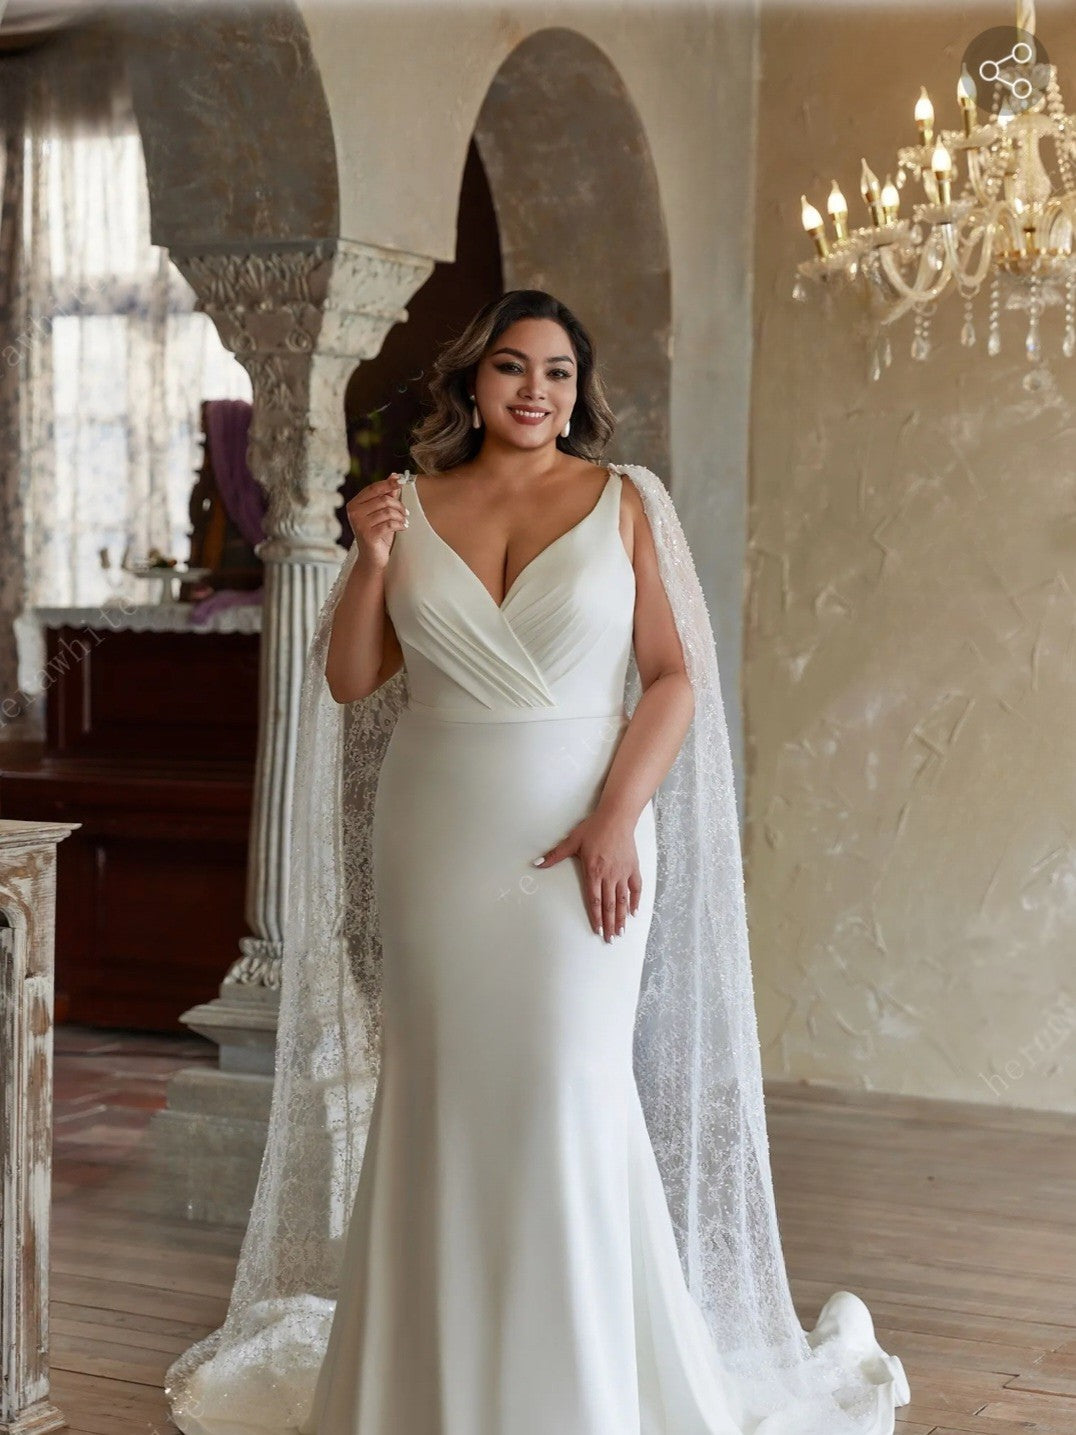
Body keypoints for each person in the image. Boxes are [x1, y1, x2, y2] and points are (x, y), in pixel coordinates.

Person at [164, 289, 910, 1435]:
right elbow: (352, 679)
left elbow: (669, 678)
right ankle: (427, 1389)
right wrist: (367, 557)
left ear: (578, 390)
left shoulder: (624, 503)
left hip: (586, 836)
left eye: (557, 372)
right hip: (438, 839)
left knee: (568, 1086)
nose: (533, 391)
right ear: (472, 383)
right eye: (511, 368)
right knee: (439, 1095)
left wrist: (616, 815)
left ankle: (582, 1394)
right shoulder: (405, 506)